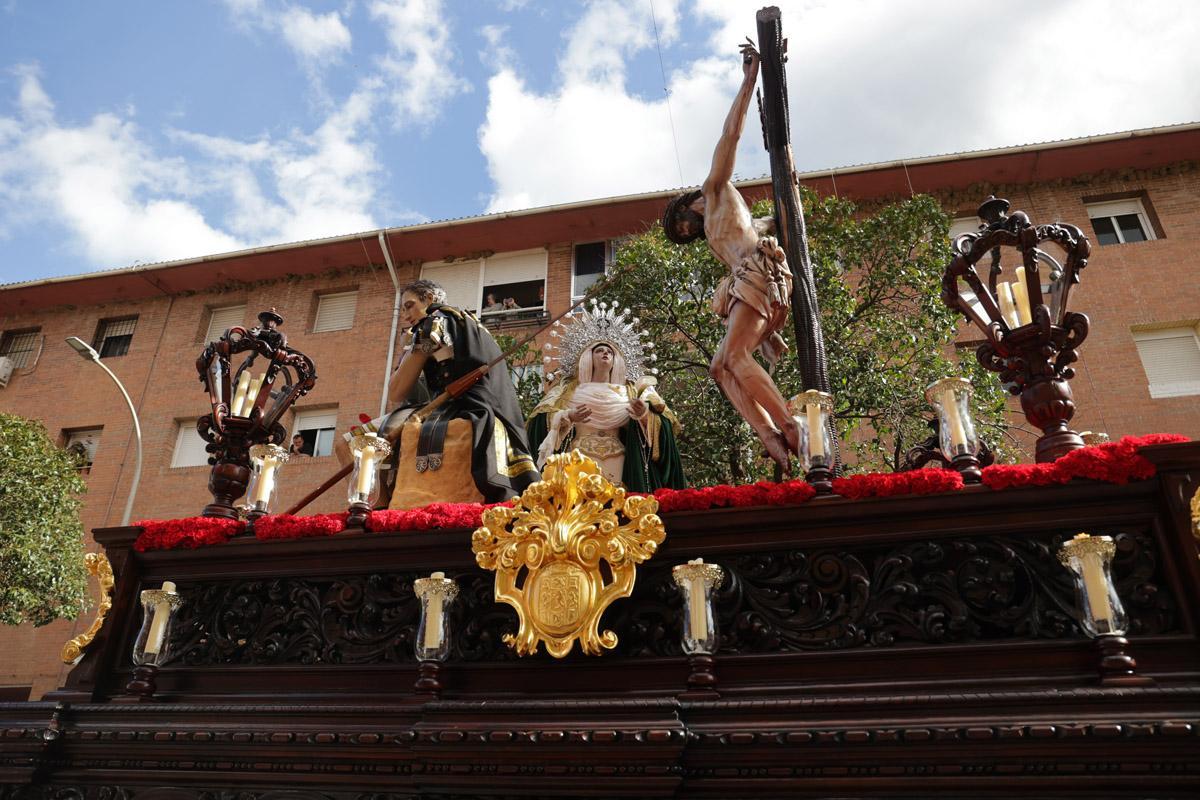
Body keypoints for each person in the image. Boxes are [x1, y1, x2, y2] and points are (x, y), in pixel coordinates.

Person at [661, 42, 799, 470]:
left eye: (683, 225)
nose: (688, 232)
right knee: (720, 367)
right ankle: (769, 435)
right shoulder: (728, 226)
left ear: (688, 205)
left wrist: (750, 78)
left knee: (736, 357)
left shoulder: (714, 190)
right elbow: (770, 223)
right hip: (751, 279)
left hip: (758, 273)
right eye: (684, 235)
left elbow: (731, 135)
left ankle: (793, 426)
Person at [378, 278, 540, 509]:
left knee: (355, 443)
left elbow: (397, 391)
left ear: (430, 300)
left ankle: (378, 501)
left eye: (409, 306)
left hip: (463, 408)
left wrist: (406, 348)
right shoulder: (468, 322)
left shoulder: (432, 325)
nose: (405, 315)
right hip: (498, 414)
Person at [527, 301, 686, 492]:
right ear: (588, 357)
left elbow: (665, 426)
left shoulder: (633, 390)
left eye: (610, 351)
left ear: (616, 360)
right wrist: (568, 416)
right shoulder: (566, 389)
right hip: (578, 458)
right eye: (599, 350)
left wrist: (644, 416)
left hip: (620, 460)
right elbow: (538, 423)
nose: (605, 353)